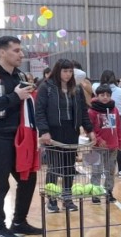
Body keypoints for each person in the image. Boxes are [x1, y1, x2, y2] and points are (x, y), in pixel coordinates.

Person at [0, 36, 40, 237]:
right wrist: (15, 97)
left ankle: (19, 221)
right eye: (16, 50)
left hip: (20, 137)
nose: (21, 54)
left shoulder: (20, 75)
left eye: (21, 50)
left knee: (28, 179)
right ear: (2, 52)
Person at [36, 59, 96, 213]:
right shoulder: (46, 87)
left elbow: (83, 112)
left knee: (69, 166)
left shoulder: (76, 88)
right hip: (54, 131)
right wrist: (44, 131)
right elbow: (40, 111)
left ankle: (67, 197)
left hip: (71, 130)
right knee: (54, 166)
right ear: (58, 71)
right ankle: (52, 199)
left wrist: (90, 130)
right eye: (65, 71)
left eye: (70, 71)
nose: (68, 74)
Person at [88, 85, 121, 204]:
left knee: (110, 170)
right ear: (97, 96)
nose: (105, 97)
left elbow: (118, 126)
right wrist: (98, 139)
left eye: (108, 95)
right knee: (95, 170)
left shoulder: (115, 110)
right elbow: (89, 129)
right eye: (102, 95)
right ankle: (95, 193)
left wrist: (120, 141)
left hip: (112, 146)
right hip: (96, 147)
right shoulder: (91, 111)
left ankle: (109, 191)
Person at [100, 70, 121, 178]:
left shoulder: (98, 90)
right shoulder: (120, 90)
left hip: (103, 116)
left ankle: (106, 171)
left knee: (105, 143)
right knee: (120, 143)